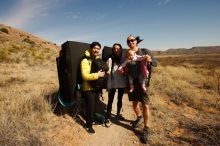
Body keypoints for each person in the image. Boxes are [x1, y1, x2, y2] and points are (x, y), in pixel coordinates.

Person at [126, 35, 157, 143]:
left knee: (145, 105)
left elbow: (155, 63)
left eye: (132, 40)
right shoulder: (127, 53)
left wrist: (150, 60)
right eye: (128, 41)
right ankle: (139, 117)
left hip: (143, 83)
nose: (130, 42)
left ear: (136, 41)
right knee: (134, 104)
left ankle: (146, 129)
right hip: (133, 84)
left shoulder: (144, 51)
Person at [80, 42, 105, 134]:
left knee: (94, 105)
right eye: (95, 48)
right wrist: (97, 75)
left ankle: (91, 118)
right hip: (88, 88)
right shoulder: (85, 61)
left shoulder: (98, 60)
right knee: (90, 107)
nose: (96, 50)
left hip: (97, 87)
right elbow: (85, 76)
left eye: (98, 48)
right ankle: (88, 125)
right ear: (91, 49)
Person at [105, 43, 127, 127]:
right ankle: (108, 117)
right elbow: (108, 72)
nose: (116, 50)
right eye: (114, 49)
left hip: (122, 82)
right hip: (113, 82)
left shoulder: (123, 58)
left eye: (118, 48)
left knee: (120, 99)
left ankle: (118, 113)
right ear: (113, 50)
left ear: (121, 49)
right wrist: (108, 84)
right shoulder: (110, 59)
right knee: (110, 100)